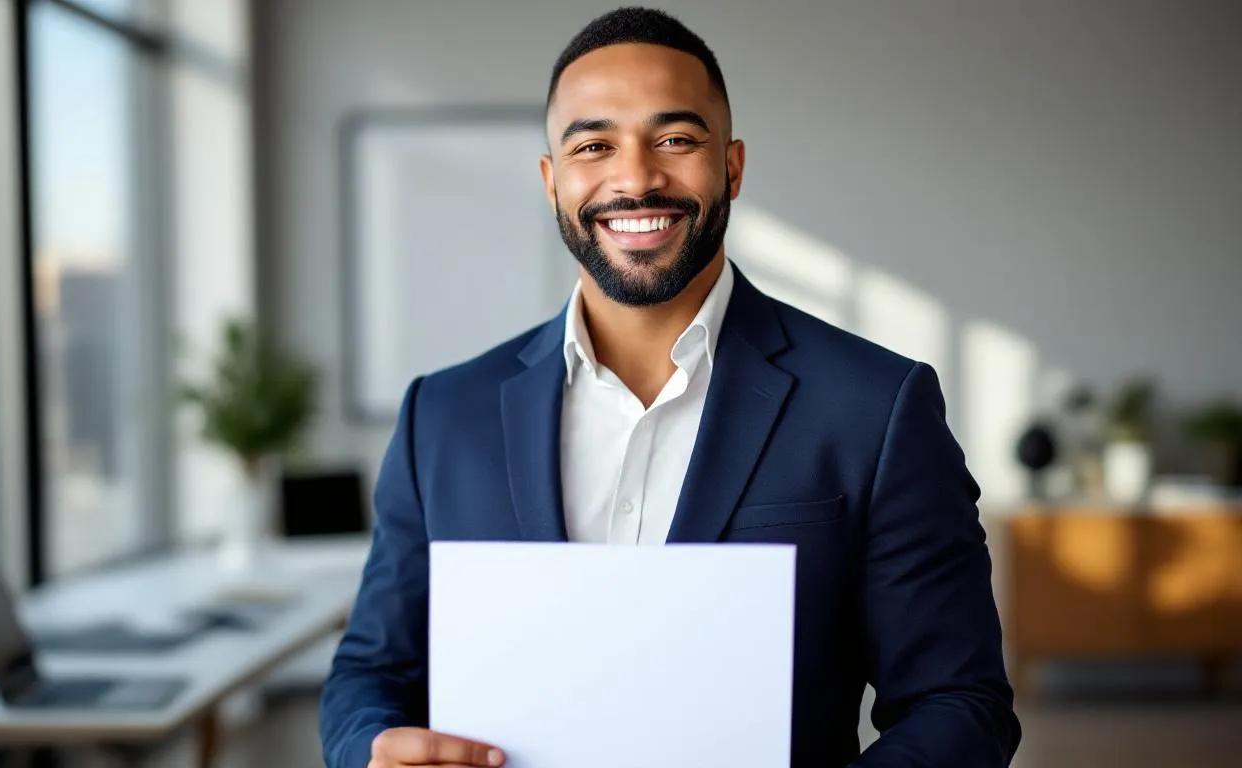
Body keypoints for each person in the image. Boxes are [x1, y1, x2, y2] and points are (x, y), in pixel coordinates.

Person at [320, 7, 1021, 768]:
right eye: (594, 145)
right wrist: (371, 747)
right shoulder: (442, 418)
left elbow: (960, 704)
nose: (635, 177)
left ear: (733, 166)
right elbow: (371, 671)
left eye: (677, 139)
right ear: (552, 181)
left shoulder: (876, 408)